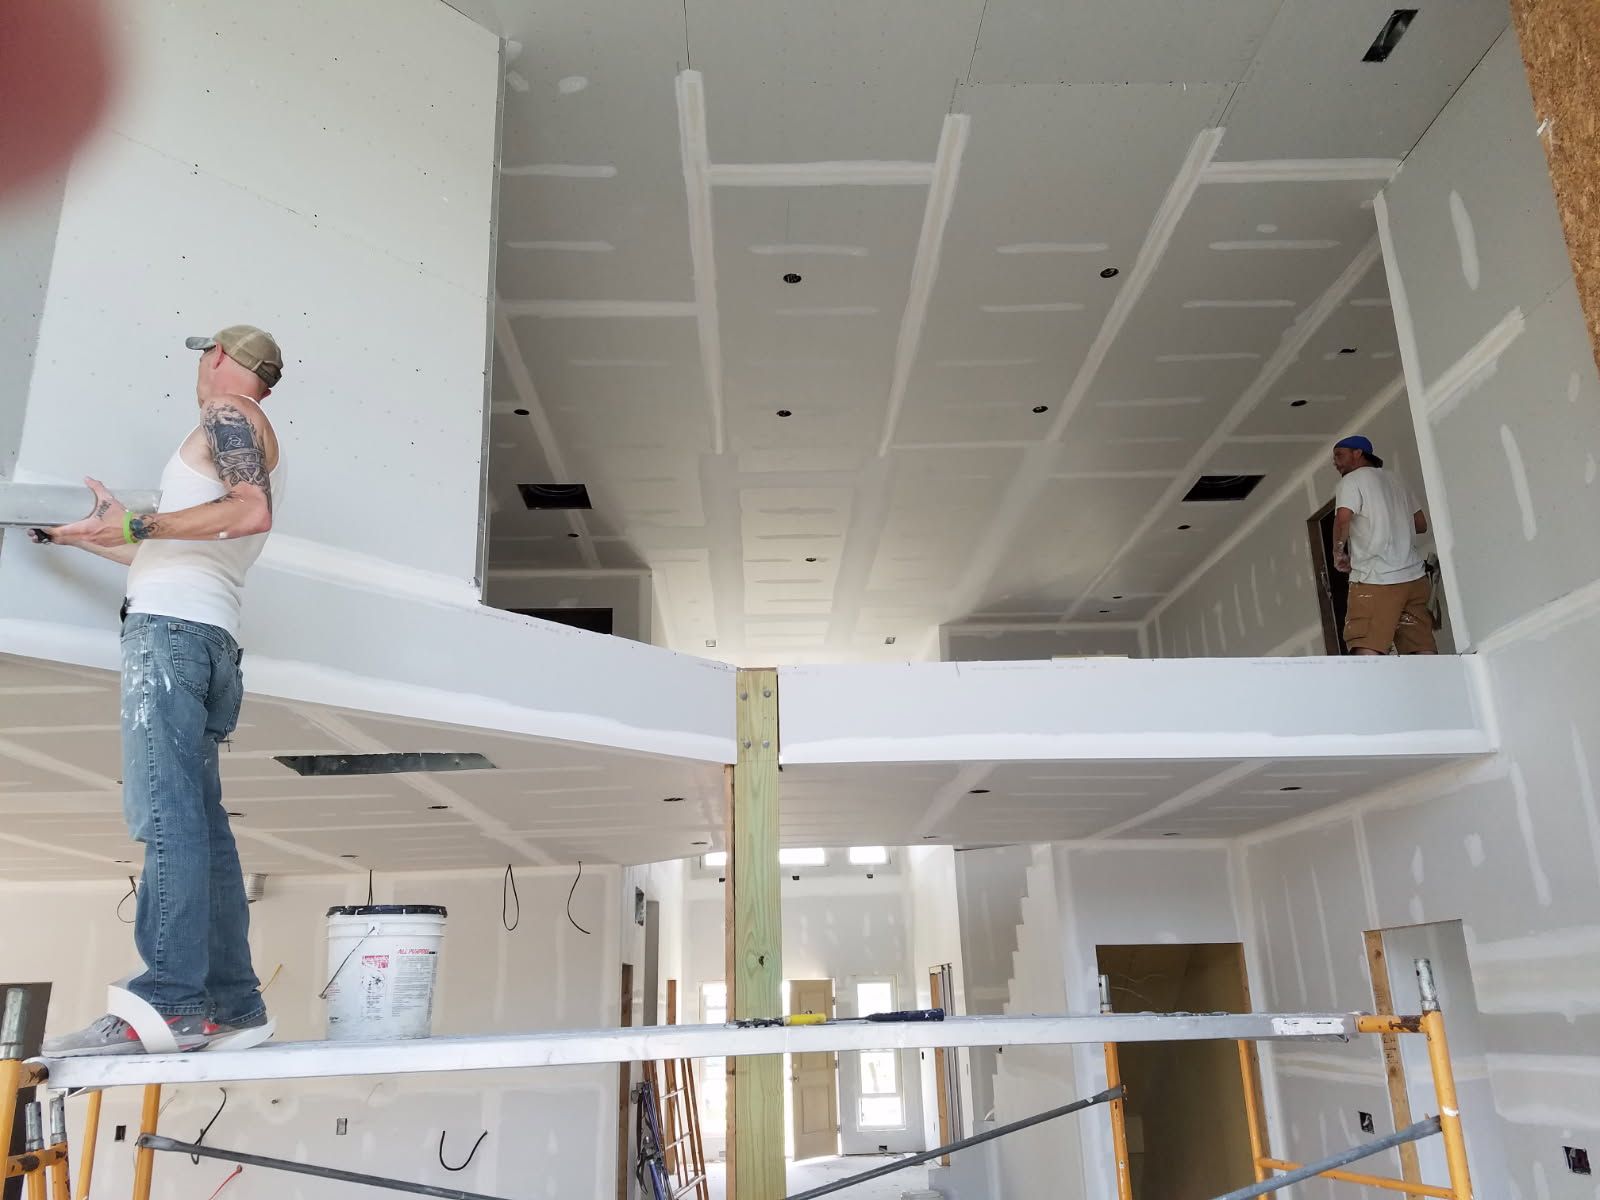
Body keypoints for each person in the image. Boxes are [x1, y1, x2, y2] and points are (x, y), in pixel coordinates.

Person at [32, 325, 287, 1055]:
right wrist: (89, 536)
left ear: (217, 359)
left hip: (172, 639)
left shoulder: (227, 415)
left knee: (165, 813)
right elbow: (183, 546)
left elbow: (248, 510)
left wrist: (137, 520)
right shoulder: (251, 427)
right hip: (204, 635)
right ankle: (234, 1005)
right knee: (199, 824)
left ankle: (170, 1001)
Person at [1330, 434, 1435, 656]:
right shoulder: (1397, 480)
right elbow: (1421, 524)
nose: (1335, 462)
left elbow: (1343, 519)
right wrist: (1391, 526)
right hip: (1415, 580)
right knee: (1420, 650)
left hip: (1376, 580)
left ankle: (1369, 692)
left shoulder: (1351, 481)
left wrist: (1338, 552)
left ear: (1358, 453)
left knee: (1367, 648)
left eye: (1339, 455)